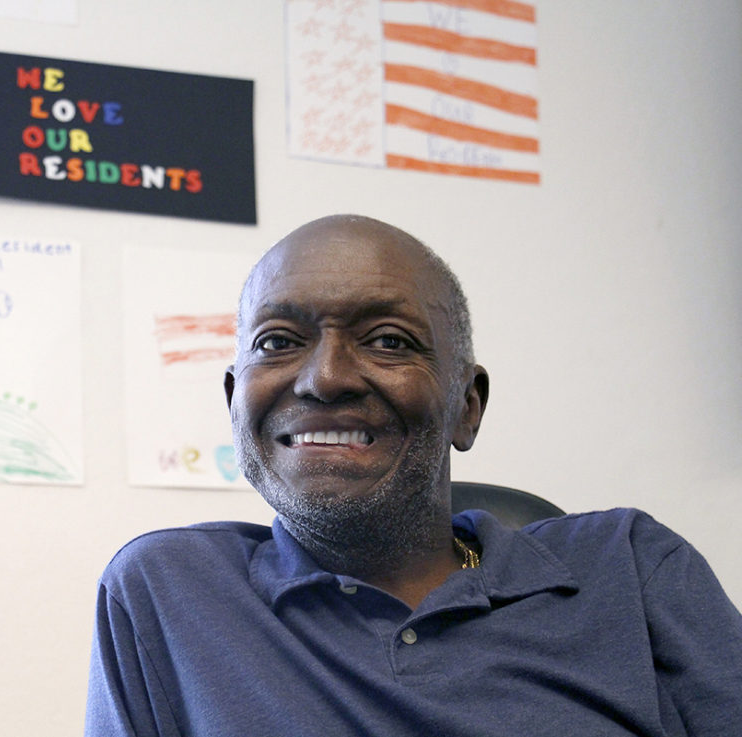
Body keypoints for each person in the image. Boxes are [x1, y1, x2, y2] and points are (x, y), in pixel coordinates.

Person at [85, 214, 742, 736]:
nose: (326, 377)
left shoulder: (628, 567)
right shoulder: (168, 593)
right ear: (234, 399)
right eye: (278, 341)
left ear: (467, 405)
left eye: (389, 340)